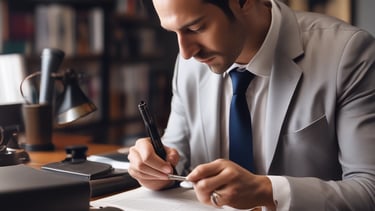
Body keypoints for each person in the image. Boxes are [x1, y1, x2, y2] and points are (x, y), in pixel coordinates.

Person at [127, 0, 375, 210]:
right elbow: (177, 154)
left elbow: (369, 189)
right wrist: (155, 169)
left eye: (195, 27)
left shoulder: (348, 54)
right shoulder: (189, 64)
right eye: (174, 32)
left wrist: (267, 190)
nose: (186, 52)